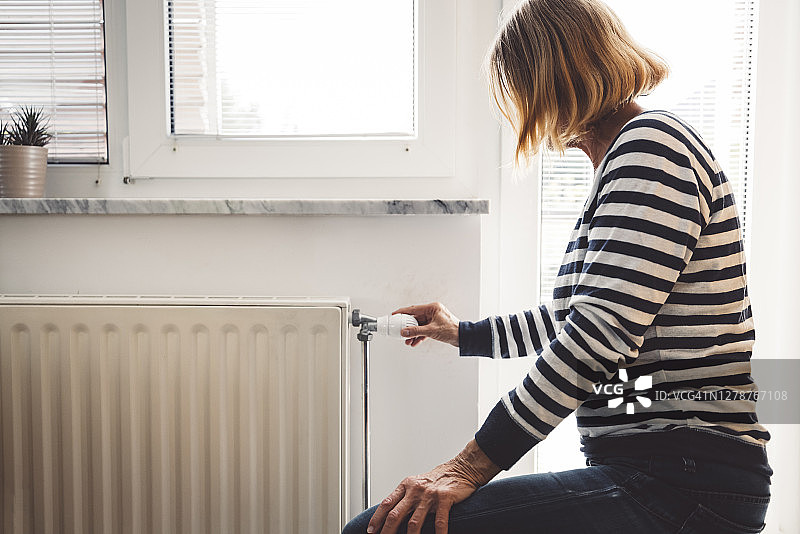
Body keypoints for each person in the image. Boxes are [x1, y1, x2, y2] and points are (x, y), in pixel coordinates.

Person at [342, 0, 772, 532]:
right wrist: (464, 334)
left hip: (684, 481)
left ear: (548, 80)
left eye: (518, 88)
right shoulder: (629, 162)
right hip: (664, 473)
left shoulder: (651, 150)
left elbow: (596, 333)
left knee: (380, 529)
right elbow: (577, 318)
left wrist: (470, 465)